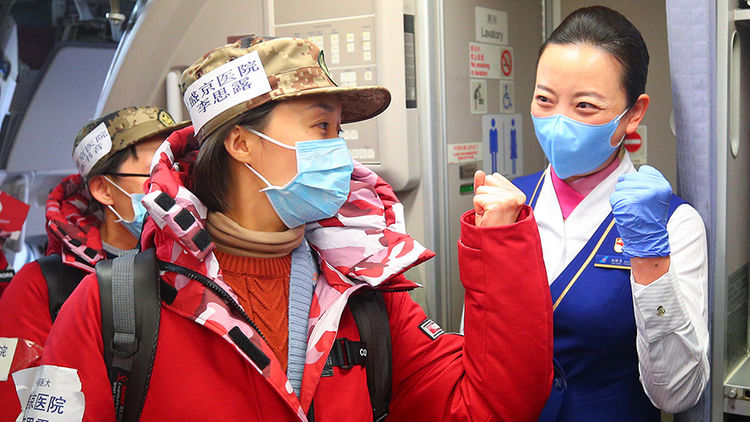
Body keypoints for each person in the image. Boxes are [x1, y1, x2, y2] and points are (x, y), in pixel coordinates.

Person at [27, 36, 553, 421]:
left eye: (338, 130)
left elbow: (491, 407)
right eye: (321, 127)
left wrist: (501, 247)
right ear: (241, 143)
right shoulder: (116, 307)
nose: (339, 150)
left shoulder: (360, 295)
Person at [512, 6, 709, 421]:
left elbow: (679, 394)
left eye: (585, 106)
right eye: (544, 100)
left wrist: (650, 259)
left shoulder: (674, 224)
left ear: (634, 113)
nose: (559, 123)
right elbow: (474, 347)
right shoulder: (509, 202)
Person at [0, 106, 186, 421]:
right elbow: (15, 401)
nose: (173, 183)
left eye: (178, 168)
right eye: (155, 171)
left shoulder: (197, 273)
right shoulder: (42, 285)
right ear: (103, 190)